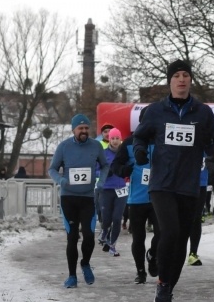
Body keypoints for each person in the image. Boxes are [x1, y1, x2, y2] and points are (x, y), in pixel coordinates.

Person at [133, 60, 214, 302]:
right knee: (170, 231)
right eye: (177, 76)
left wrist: (213, 150)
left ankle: (167, 288)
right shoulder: (156, 111)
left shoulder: (202, 112)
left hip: (188, 184)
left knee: (181, 240)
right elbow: (140, 135)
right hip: (161, 183)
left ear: (190, 81)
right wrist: (139, 150)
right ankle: (160, 276)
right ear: (170, 81)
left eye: (186, 76)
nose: (182, 80)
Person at [48, 114, 108, 288]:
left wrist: (101, 181)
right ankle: (72, 276)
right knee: (72, 237)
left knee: (89, 236)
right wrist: (61, 181)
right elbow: (52, 169)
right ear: (73, 129)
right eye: (80, 128)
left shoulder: (96, 146)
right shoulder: (64, 147)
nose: (84, 131)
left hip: (87, 197)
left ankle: (85, 263)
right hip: (68, 198)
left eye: (86, 128)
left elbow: (105, 165)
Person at [111, 131, 161, 284]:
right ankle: (140, 272)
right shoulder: (129, 142)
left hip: (159, 197)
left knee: (163, 233)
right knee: (138, 237)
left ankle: (153, 255)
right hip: (137, 199)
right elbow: (116, 165)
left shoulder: (162, 139)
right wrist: (123, 171)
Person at [98, 128, 128, 256]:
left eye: (117, 138)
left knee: (117, 218)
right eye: (113, 138)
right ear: (109, 139)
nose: (115, 141)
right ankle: (104, 232)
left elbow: (130, 166)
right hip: (107, 189)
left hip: (121, 189)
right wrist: (105, 173)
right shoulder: (103, 154)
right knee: (106, 218)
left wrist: (127, 172)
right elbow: (95, 170)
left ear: (121, 139)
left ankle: (112, 246)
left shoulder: (124, 154)